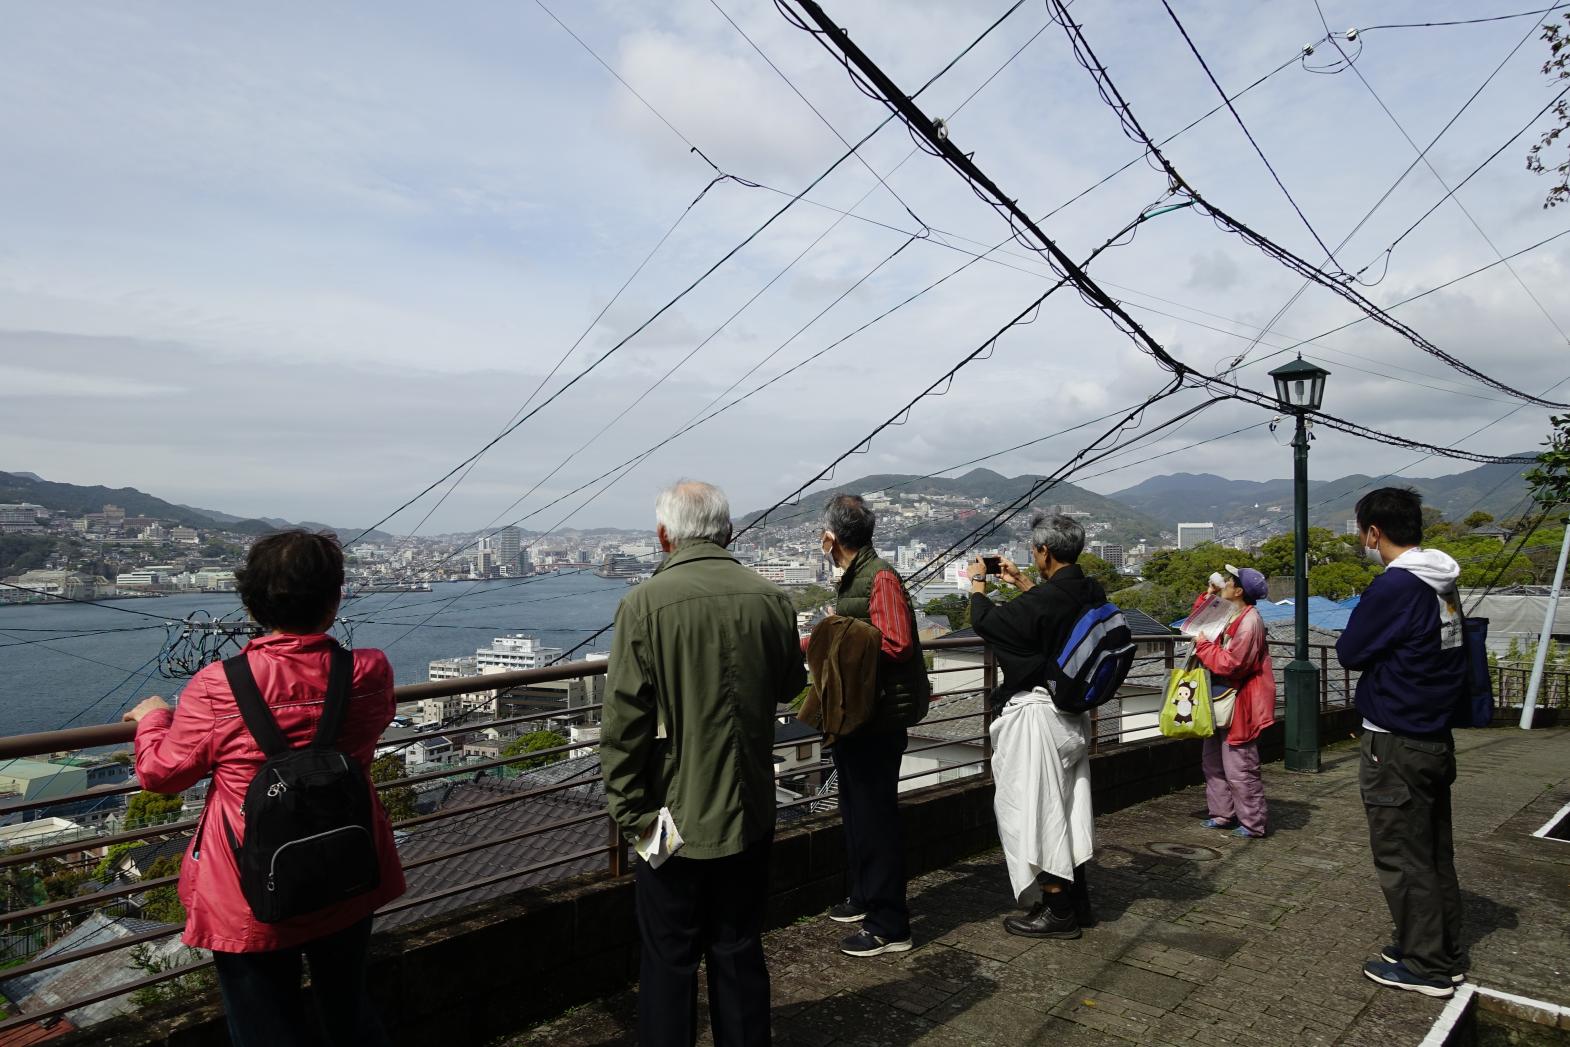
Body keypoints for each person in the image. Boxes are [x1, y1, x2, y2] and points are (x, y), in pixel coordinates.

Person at [124, 530, 405, 1047]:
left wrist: (153, 718)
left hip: (247, 885)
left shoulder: (217, 685)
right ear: (335, 596)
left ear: (251, 603)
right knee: (348, 1012)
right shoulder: (369, 670)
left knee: (263, 1029)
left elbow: (162, 775)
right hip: (347, 864)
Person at [601, 480, 807, 1047]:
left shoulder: (642, 606)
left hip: (667, 821)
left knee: (668, 960)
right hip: (750, 811)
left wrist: (635, 818)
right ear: (728, 531)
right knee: (738, 948)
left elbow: (623, 729)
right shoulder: (770, 598)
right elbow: (793, 685)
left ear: (664, 536)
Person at [1336, 487, 1467, 999]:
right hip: (1433, 732)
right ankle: (1439, 948)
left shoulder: (1395, 587)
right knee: (1433, 851)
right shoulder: (1442, 581)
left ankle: (1425, 965)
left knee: (1403, 854)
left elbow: (1349, 650)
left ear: (1373, 533)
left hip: (1396, 740)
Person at [968, 513, 1099, 939]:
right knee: (1065, 809)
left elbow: (988, 623)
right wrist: (1024, 584)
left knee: (1034, 813)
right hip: (1072, 715)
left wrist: (978, 585)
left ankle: (1058, 910)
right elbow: (1055, 619)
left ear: (1044, 551)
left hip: (1038, 718)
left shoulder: (1044, 601)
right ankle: (1078, 903)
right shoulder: (1088, 589)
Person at [818, 494, 930, 958]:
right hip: (858, 711)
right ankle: (864, 896)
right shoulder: (856, 576)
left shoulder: (879, 576)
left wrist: (837, 632)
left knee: (875, 815)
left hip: (878, 715)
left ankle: (890, 923)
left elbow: (897, 643)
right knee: (857, 809)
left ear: (831, 538)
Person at [1191, 564, 1275, 839]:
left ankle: (1252, 822)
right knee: (1213, 760)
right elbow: (1201, 622)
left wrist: (1203, 647)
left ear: (1239, 591)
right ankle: (1222, 814)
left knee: (1240, 766)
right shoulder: (1234, 612)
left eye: (1229, 581)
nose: (1225, 583)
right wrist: (1208, 595)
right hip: (1219, 697)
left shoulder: (1249, 622)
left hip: (1239, 701)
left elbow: (1233, 664)